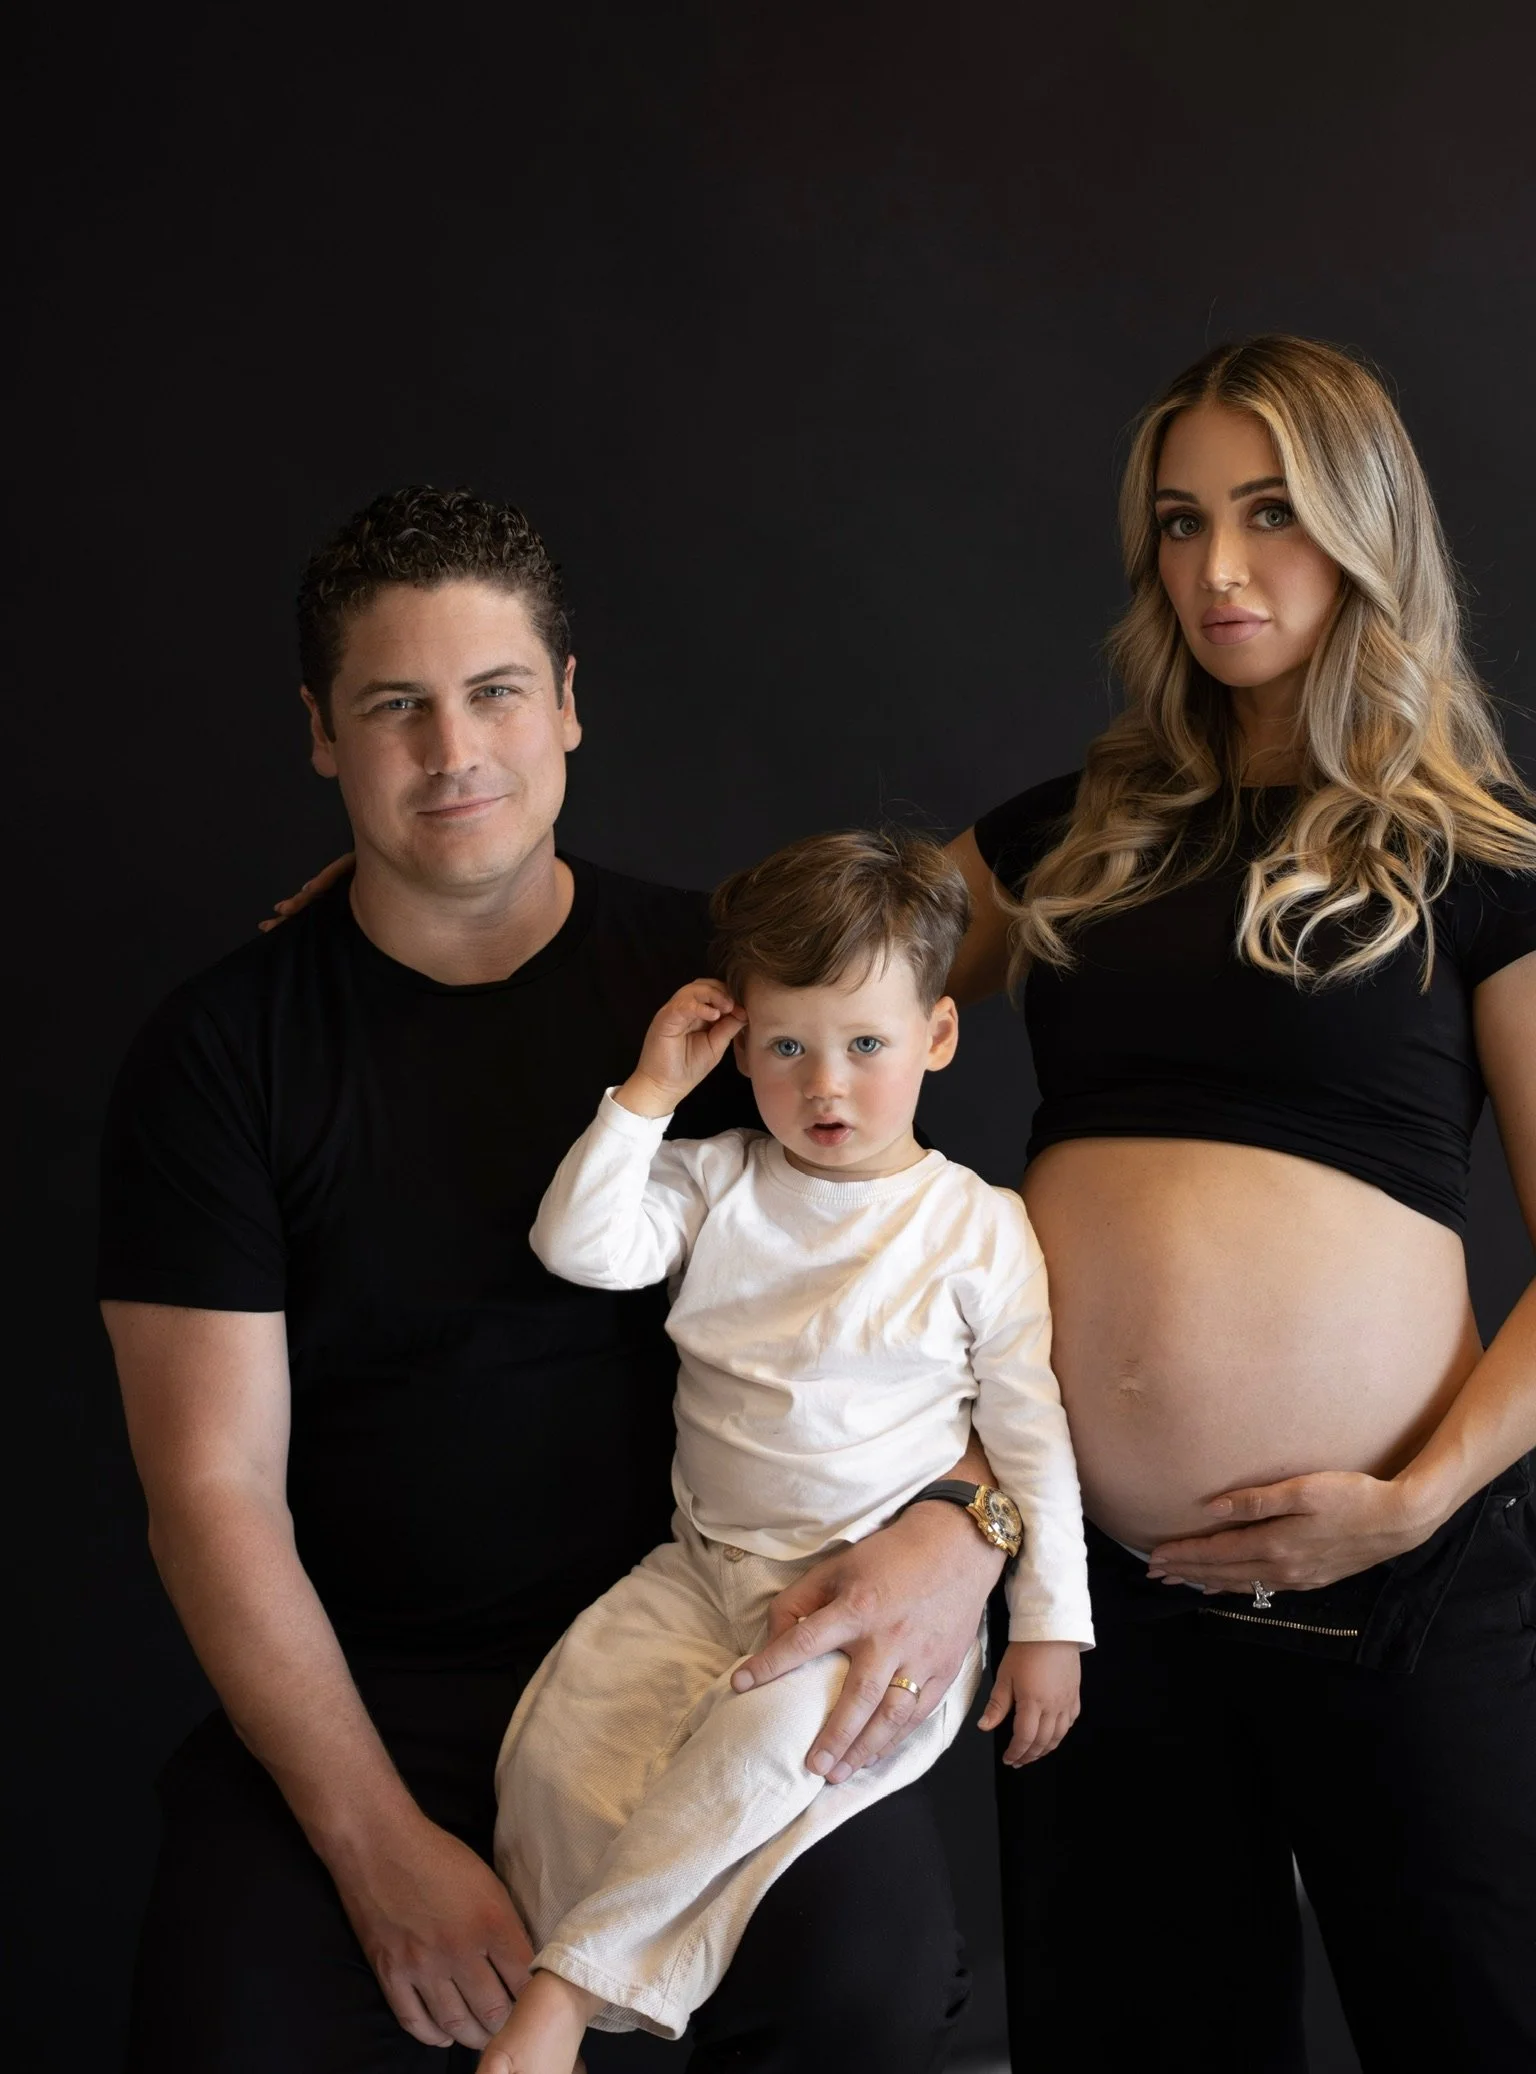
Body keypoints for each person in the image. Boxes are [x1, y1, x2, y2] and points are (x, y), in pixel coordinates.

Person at [98, 486, 1004, 2074]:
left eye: (496, 691)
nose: (454, 750)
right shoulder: (222, 1054)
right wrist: (377, 1847)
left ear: (570, 706)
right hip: (366, 1698)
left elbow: (950, 1283)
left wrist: (966, 1524)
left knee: (867, 1978)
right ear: (322, 733)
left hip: (714, 1646)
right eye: (397, 706)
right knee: (224, 2020)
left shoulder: (728, 998)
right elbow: (210, 1490)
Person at [945, 334, 1536, 2071]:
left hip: (1398, 1575)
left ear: (1364, 528)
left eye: (1271, 514)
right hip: (1101, 1591)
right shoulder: (1076, 830)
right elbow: (806, 965)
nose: (1217, 568)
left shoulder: (1479, 856)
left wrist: (1413, 1494)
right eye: (1182, 521)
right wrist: (507, 894)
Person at [479, 830, 1092, 2073]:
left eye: (867, 1045)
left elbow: (1030, 1433)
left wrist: (1050, 1627)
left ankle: (556, 2005)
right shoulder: (718, 1182)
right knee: (557, 1749)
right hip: (703, 1566)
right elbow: (580, 1246)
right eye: (787, 1048)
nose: (828, 1087)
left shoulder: (977, 1228)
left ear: (938, 1036)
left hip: (866, 1606)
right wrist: (649, 1093)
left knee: (770, 1751)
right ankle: (594, 1971)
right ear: (740, 1043)